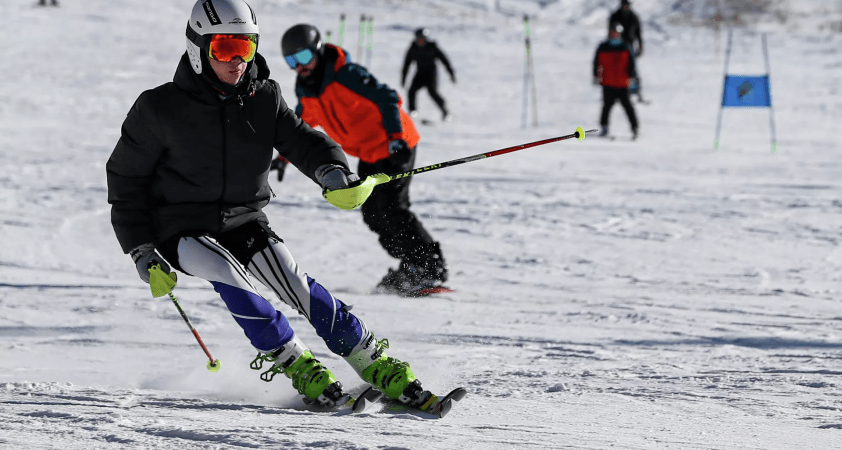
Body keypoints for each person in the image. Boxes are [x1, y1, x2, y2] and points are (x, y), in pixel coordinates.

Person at [106, 0, 430, 408]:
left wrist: (332, 169)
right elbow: (126, 179)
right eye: (225, 48)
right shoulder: (158, 108)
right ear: (198, 49)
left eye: (245, 46)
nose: (238, 60)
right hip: (179, 227)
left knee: (294, 281)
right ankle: (297, 363)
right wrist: (141, 248)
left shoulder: (264, 97)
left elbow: (302, 140)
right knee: (229, 274)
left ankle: (372, 360)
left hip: (243, 219)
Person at [278, 23, 449, 297]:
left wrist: (395, 137)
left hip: (394, 145)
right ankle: (411, 263)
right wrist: (284, 157)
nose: (299, 66)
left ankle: (430, 266)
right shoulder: (306, 87)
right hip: (368, 152)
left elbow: (388, 98)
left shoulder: (346, 74)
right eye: (291, 61)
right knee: (373, 215)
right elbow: (302, 124)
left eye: (303, 57)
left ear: (317, 50)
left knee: (393, 208)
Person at [593, 24, 639, 139]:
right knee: (606, 107)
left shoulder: (625, 47)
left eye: (616, 33)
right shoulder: (603, 47)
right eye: (612, 32)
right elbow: (596, 62)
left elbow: (632, 64)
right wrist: (596, 75)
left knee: (628, 107)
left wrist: (633, 78)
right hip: (608, 83)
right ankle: (604, 127)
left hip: (622, 83)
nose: (614, 35)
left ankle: (635, 128)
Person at [400, 28, 456, 122]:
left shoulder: (432, 47)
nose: (420, 41)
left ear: (426, 39)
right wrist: (403, 79)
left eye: (422, 39)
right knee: (411, 91)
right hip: (420, 73)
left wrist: (451, 74)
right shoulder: (413, 49)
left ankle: (445, 112)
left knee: (432, 92)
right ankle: (413, 111)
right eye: (418, 39)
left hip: (431, 74)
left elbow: (444, 60)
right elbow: (406, 64)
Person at [608, 0, 644, 101]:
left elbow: (638, 33)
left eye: (627, 5)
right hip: (617, 46)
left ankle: (635, 92)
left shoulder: (634, 17)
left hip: (629, 46)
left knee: (632, 69)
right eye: (624, 5)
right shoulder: (615, 16)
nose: (626, 7)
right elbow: (610, 32)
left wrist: (640, 46)